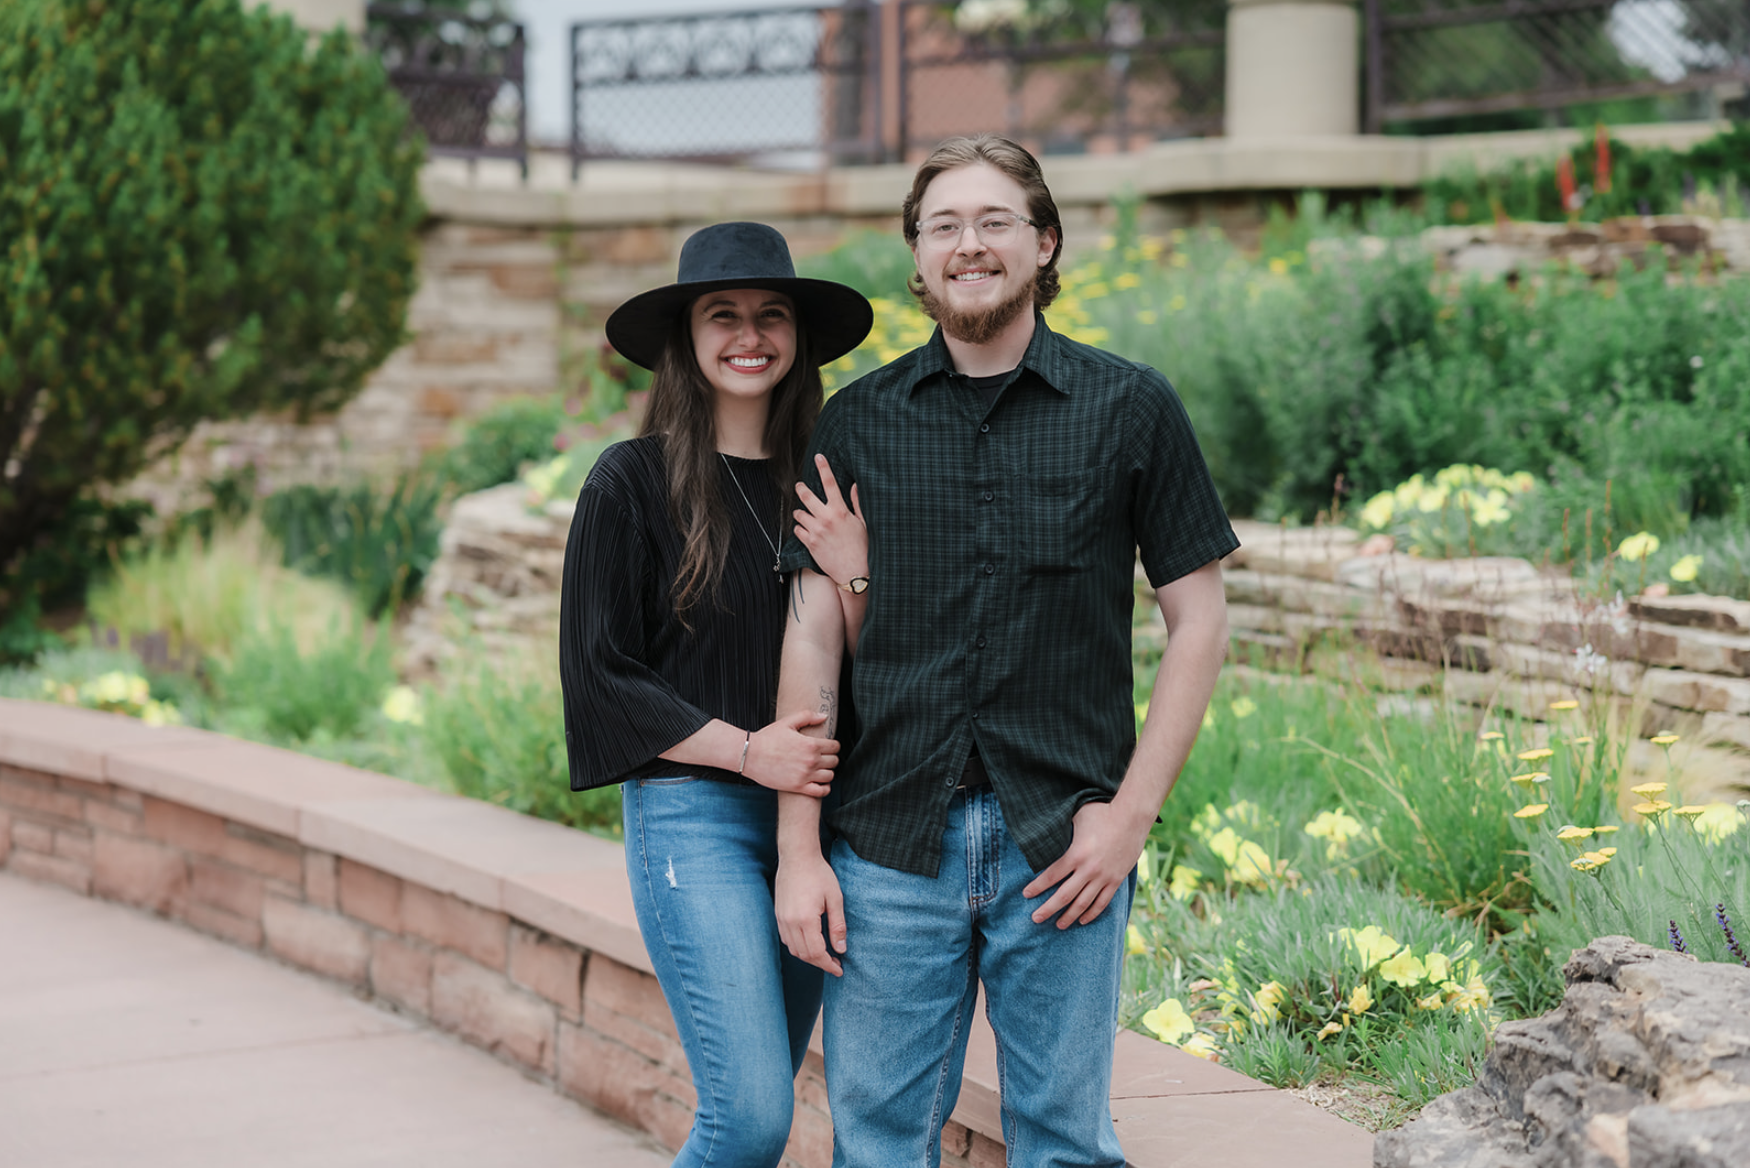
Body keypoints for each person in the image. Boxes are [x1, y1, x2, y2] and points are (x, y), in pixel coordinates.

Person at [772, 135, 1239, 1167]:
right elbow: (814, 639)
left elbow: (1197, 620)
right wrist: (799, 850)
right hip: (888, 840)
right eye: (943, 226)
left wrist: (1128, 820)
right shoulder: (856, 421)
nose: (967, 244)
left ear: (1044, 243)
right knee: (879, 1144)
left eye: (992, 222)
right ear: (918, 258)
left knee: (1065, 1143)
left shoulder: (1131, 408)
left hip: (1063, 841)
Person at [557, 221, 873, 1168]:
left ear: (798, 338)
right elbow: (599, 672)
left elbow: (878, 666)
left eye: (771, 315)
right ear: (687, 342)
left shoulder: (827, 483)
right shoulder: (631, 482)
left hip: (814, 819)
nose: (750, 335)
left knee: (763, 1106)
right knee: (748, 1120)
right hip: (692, 816)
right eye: (723, 316)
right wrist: (744, 749)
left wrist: (856, 574)